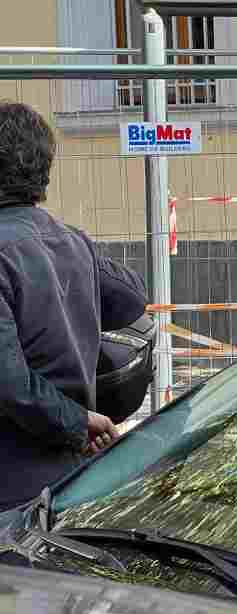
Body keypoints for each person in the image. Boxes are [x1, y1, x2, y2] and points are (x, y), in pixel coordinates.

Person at [0, 102, 147, 511]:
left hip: (11, 487)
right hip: (68, 479)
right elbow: (132, 297)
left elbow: (8, 383)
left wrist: (77, 422)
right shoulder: (72, 242)